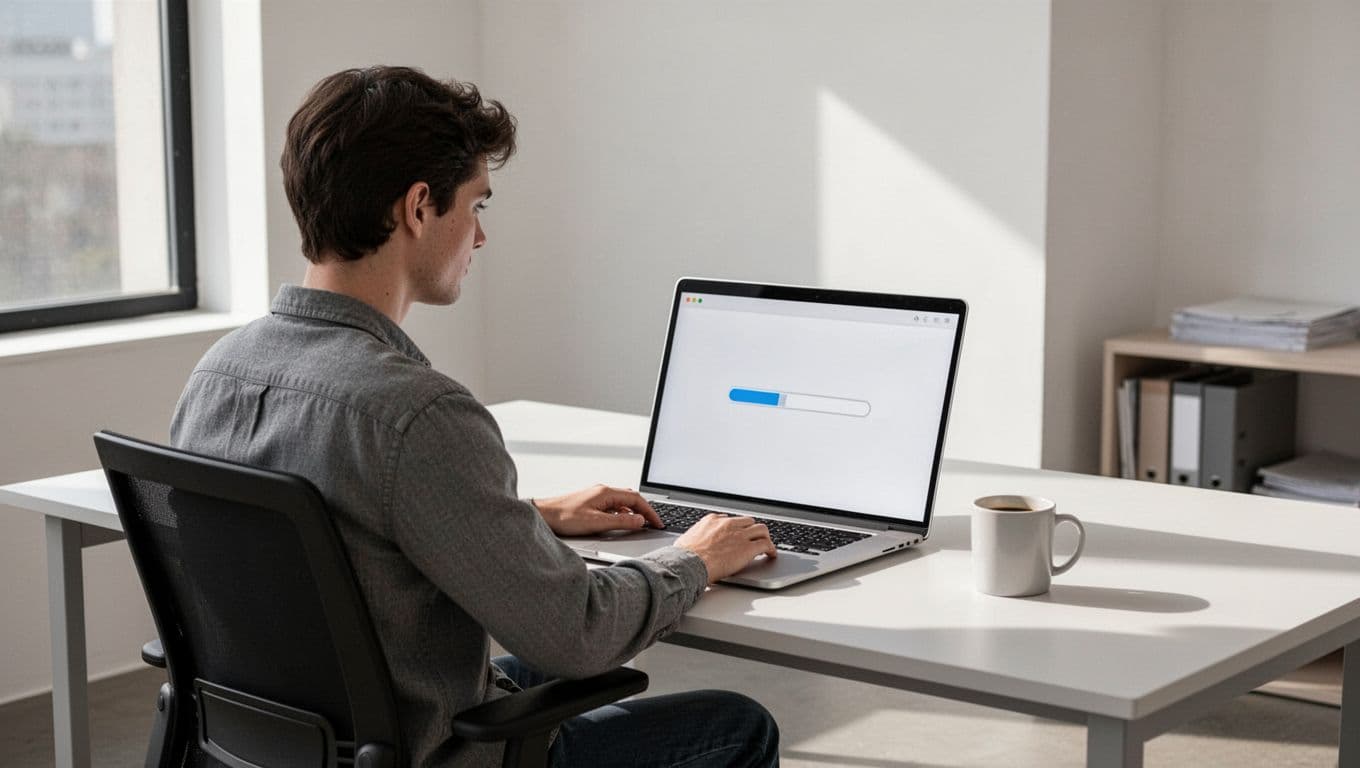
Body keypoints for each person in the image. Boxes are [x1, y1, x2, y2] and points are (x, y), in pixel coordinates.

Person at [170, 65, 781, 768]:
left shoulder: (219, 372)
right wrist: (693, 561)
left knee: (530, 671)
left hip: (289, 747)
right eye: (478, 205)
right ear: (419, 207)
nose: (481, 238)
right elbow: (578, 632)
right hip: (422, 751)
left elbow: (336, 526)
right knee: (738, 727)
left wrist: (529, 517)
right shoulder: (417, 413)